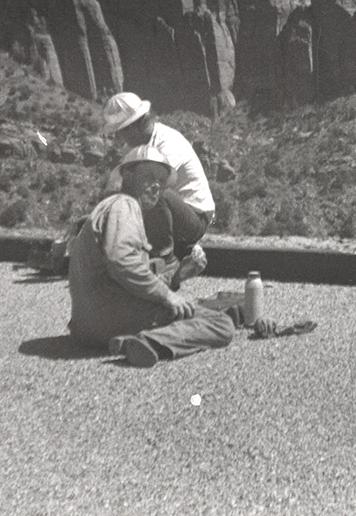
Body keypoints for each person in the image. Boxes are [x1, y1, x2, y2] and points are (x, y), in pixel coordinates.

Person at [68, 144, 234, 366]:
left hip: (87, 325)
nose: (156, 186)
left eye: (161, 181)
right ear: (128, 176)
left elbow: (123, 277)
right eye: (149, 177)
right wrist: (167, 295)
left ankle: (133, 340)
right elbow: (122, 261)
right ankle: (148, 342)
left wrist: (177, 277)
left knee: (191, 308)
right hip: (110, 320)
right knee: (220, 323)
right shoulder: (124, 205)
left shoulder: (116, 209)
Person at [100, 92, 215, 261]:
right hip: (165, 218)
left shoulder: (168, 142)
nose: (119, 137)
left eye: (120, 131)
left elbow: (149, 187)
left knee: (153, 189)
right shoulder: (134, 149)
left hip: (194, 219)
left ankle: (164, 258)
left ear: (132, 127)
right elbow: (118, 186)